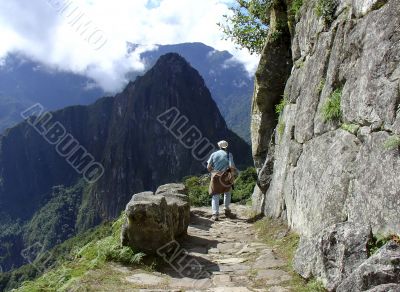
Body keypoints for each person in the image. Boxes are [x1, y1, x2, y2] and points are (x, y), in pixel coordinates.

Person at [207, 140, 237, 221]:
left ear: (219, 146)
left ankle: (215, 214)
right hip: (226, 176)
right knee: (227, 192)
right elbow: (231, 166)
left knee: (215, 195)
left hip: (216, 176)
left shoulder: (213, 154)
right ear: (226, 147)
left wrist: (214, 172)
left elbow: (208, 167)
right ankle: (227, 210)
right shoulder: (229, 154)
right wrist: (232, 176)